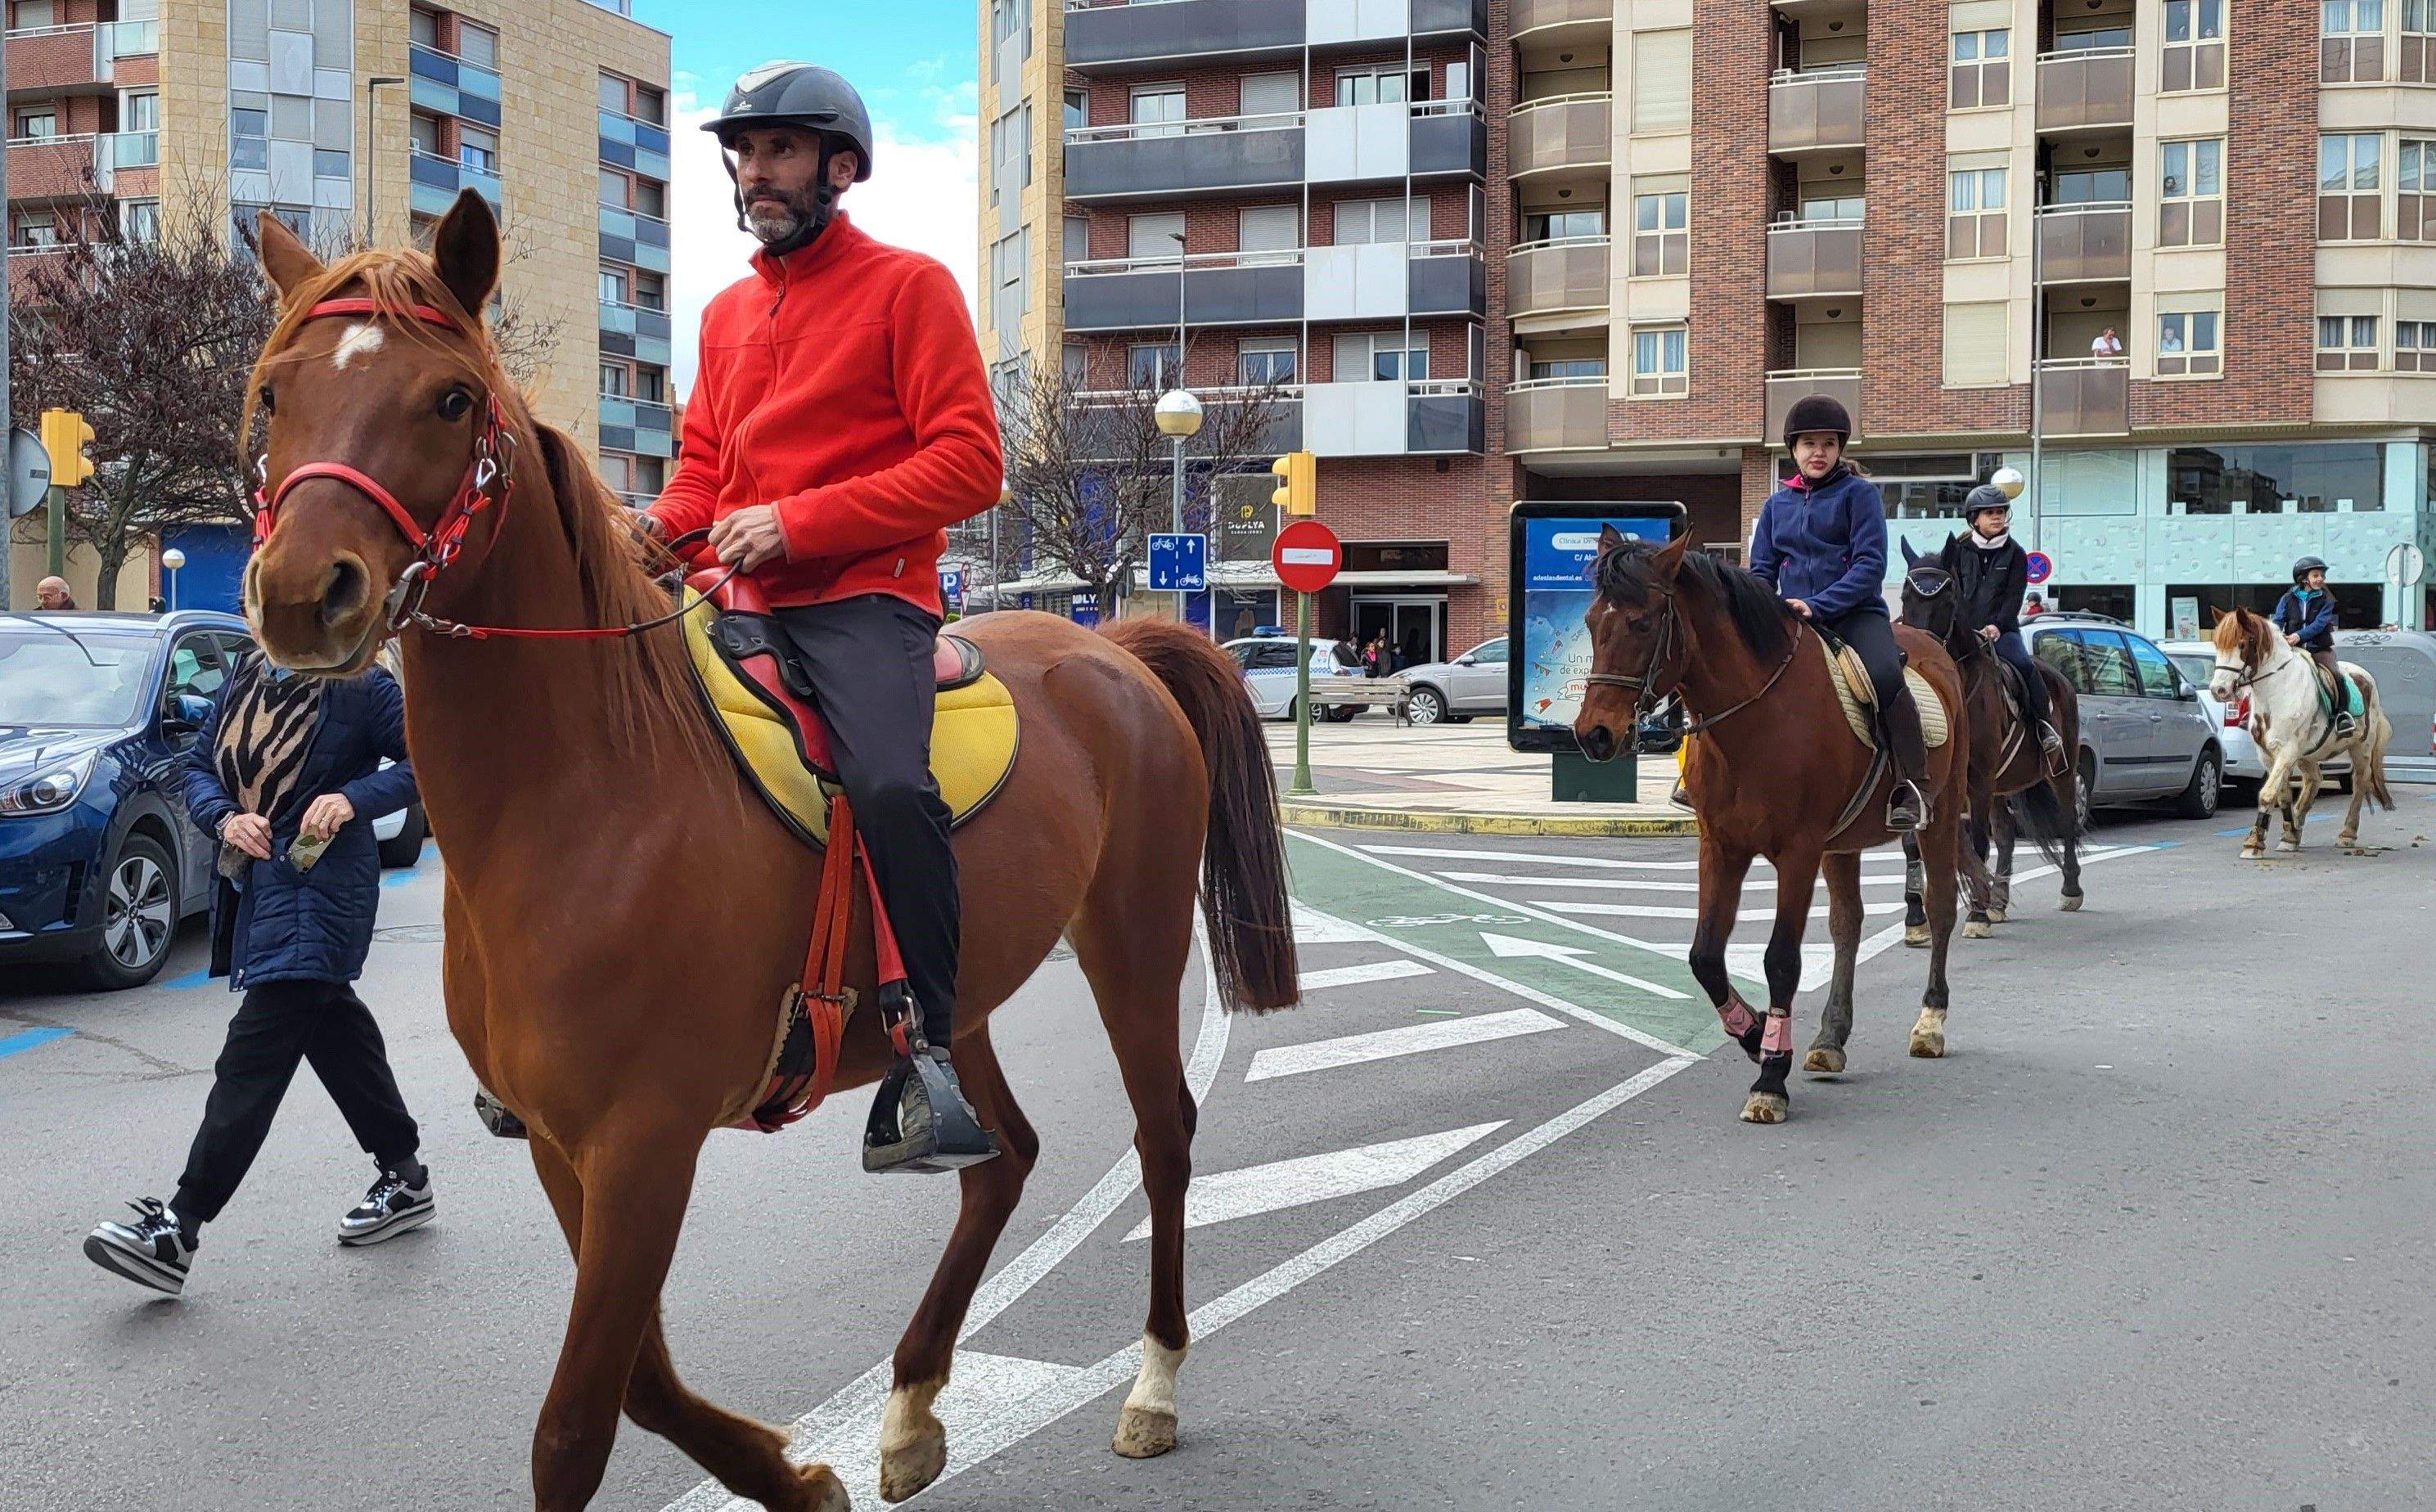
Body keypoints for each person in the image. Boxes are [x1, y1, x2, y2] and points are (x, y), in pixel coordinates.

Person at [636, 62, 1004, 1172]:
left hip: (865, 603)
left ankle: (926, 1054)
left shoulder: (912, 287)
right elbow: (704, 471)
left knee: (891, 785)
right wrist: (656, 529)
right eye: (745, 152)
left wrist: (799, 525)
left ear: (842, 167)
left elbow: (972, 463)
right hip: (733, 601)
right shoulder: (725, 313)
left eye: (783, 150)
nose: (758, 171)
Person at [83, 650, 427, 1297]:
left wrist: (353, 798)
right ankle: (406, 1179)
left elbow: (428, 760)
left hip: (324, 885)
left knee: (254, 1054)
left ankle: (179, 1230)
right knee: (335, 1034)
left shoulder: (359, 685)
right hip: (262, 884)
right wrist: (224, 816)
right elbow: (197, 764)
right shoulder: (248, 673)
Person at [1749, 394, 1930, 830]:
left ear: (1839, 449)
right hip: (1792, 617)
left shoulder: (1860, 495)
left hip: (1855, 614)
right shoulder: (1777, 506)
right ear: (1792, 448)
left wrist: (1817, 604)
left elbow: (1871, 566)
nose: (1818, 452)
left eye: (1828, 443)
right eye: (1809, 443)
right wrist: (1760, 611)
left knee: (1886, 676)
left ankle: (1912, 785)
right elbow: (1760, 571)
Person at [1949, 486, 2065, 765]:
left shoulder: (2016, 554)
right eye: (1990, 513)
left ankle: (2043, 724)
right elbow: (1954, 592)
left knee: (2024, 665)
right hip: (1966, 632)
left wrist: (1997, 626)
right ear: (1974, 518)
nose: (1997, 517)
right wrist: (1964, 626)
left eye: (2001, 511)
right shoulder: (1958, 551)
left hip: (2002, 632)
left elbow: (2015, 596)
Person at [2272, 556, 2355, 739]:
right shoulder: (2287, 598)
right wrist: (2277, 635)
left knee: (2336, 675)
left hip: (2319, 649)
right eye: (2316, 575)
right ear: (2303, 578)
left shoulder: (2326, 599)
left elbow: (2319, 625)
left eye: (2322, 576)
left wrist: (2298, 636)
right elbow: (2277, 621)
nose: (2320, 579)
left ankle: (2342, 715)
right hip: (2293, 651)